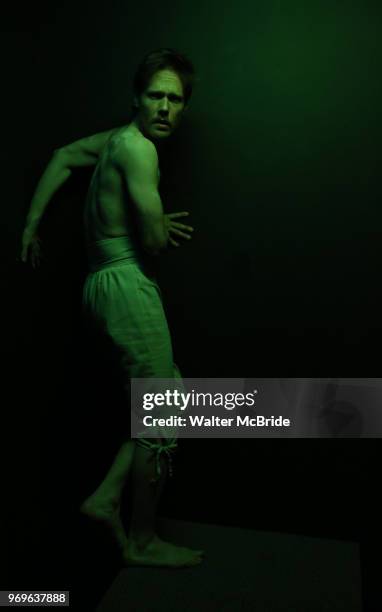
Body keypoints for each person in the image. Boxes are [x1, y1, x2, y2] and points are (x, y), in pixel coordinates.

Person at [20, 48, 204, 568]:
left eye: (175, 98)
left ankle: (105, 498)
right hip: (127, 283)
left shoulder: (112, 143)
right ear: (136, 98)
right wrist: (160, 225)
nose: (165, 108)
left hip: (99, 287)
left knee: (174, 388)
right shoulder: (140, 150)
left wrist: (32, 224)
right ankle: (142, 540)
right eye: (155, 95)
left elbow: (61, 156)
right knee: (164, 410)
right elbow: (152, 242)